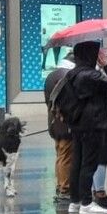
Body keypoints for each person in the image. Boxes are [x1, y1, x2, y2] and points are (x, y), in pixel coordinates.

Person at [53, 42, 107, 214]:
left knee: (77, 163)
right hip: (94, 124)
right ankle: (86, 202)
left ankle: (75, 201)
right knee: (89, 164)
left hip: (78, 124)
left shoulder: (72, 74)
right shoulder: (92, 75)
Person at [44, 53, 76, 205]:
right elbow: (69, 102)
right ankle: (65, 188)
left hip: (54, 122)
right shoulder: (66, 77)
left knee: (60, 154)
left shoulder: (51, 75)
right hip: (65, 124)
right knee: (66, 156)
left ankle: (60, 185)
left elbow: (47, 101)